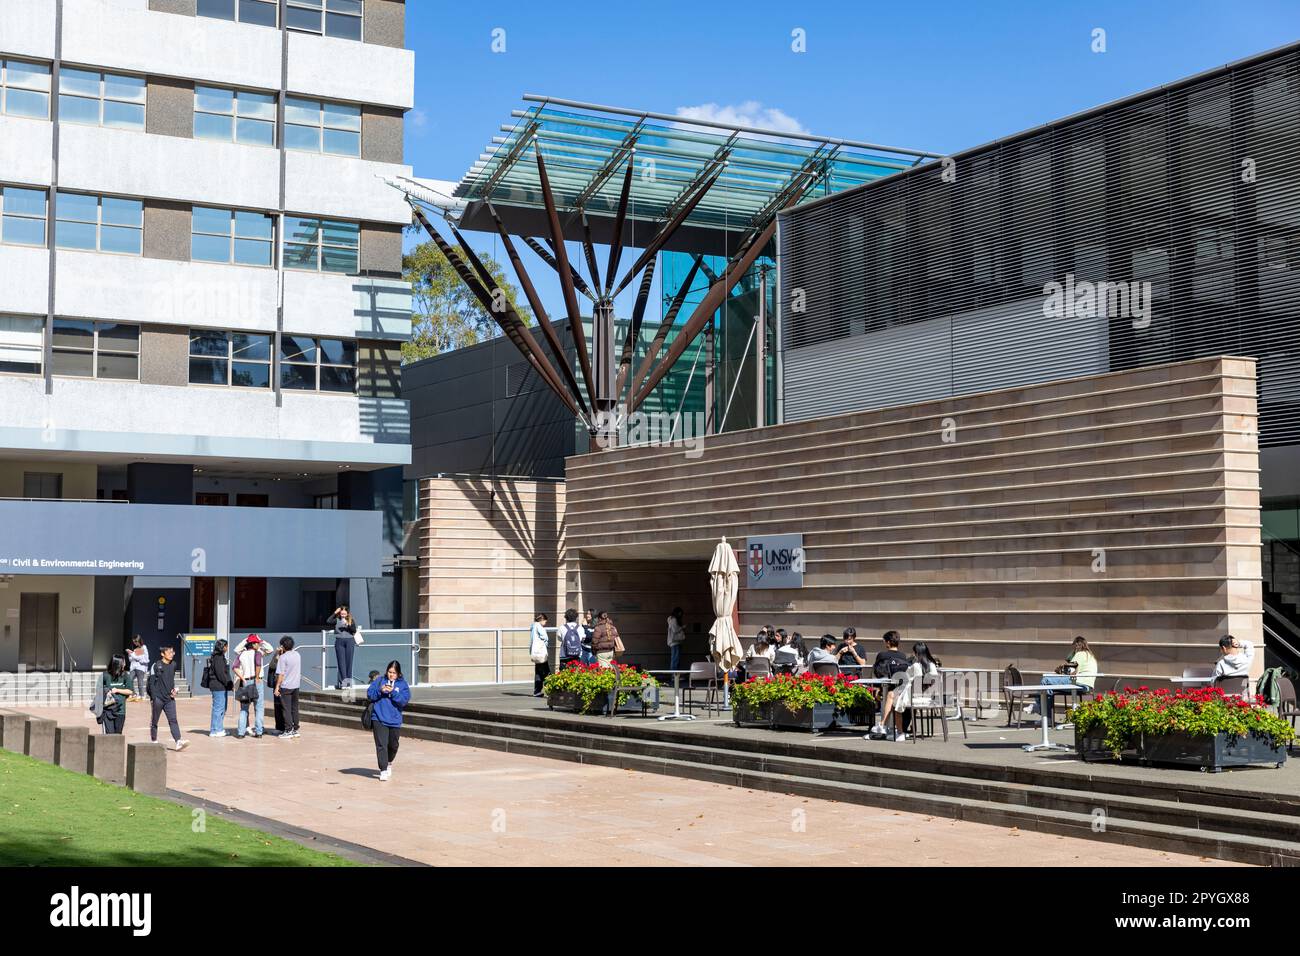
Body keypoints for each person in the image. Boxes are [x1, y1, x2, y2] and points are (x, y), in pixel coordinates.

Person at [871, 643, 942, 742]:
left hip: (914, 698)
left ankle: (896, 731)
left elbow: (906, 678)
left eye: (913, 652)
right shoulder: (932, 665)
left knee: (894, 698)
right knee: (893, 696)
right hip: (929, 699)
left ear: (916, 653)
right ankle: (884, 725)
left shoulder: (916, 665)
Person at [1030, 636, 1099, 716]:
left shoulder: (1080, 654)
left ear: (1077, 645)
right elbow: (1074, 670)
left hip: (1078, 682)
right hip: (1087, 685)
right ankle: (1044, 713)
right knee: (1049, 687)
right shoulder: (1090, 655)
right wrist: (1063, 670)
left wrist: (1061, 670)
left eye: (1074, 647)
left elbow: (1071, 671)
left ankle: (1041, 709)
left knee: (1045, 681)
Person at [368, 660, 411, 781]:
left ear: (398, 673)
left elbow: (404, 701)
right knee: (381, 745)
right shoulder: (379, 681)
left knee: (393, 745)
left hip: (395, 719)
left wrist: (393, 692)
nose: (391, 674)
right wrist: (380, 691)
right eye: (389, 672)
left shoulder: (403, 685)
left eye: (394, 672)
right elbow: (370, 694)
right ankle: (383, 770)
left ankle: (389, 762)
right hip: (379, 717)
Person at [147, 645, 188, 751]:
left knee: (173, 720)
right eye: (169, 652)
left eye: (172, 652)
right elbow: (151, 683)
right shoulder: (156, 665)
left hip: (169, 699)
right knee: (155, 720)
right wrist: (154, 697)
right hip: (158, 698)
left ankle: (178, 741)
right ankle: (154, 740)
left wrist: (174, 690)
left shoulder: (173, 664)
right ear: (162, 654)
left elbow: (170, 680)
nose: (171, 654)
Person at [233, 634, 267, 739]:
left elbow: (234, 667)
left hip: (245, 682)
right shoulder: (258, 653)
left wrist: (242, 678)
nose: (258, 644)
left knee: (244, 708)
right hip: (257, 681)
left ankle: (241, 733)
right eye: (257, 643)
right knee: (259, 707)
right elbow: (258, 664)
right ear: (253, 644)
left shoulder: (241, 654)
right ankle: (259, 731)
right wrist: (257, 677)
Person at [204, 638, 233, 738]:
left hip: (221, 686)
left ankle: (219, 729)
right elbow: (221, 674)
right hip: (218, 686)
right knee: (218, 708)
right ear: (222, 647)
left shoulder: (220, 657)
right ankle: (214, 730)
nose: (227, 648)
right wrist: (229, 684)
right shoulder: (218, 658)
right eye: (226, 646)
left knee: (222, 708)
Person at [274, 636, 302, 739]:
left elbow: (281, 674)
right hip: (296, 686)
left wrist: (277, 687)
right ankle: (295, 729)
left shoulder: (283, 657)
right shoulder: (297, 654)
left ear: (283, 646)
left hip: (286, 686)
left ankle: (288, 729)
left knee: (286, 709)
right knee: (294, 708)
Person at [97, 655, 133, 735]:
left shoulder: (125, 675)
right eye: (123, 663)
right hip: (107, 711)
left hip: (120, 711)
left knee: (118, 735)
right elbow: (98, 691)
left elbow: (130, 691)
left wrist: (117, 690)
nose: (125, 664)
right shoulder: (105, 675)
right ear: (117, 664)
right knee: (109, 735)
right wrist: (106, 692)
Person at [327, 605, 358, 689]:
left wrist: (347, 624)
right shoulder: (337, 620)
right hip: (339, 641)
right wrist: (335, 613)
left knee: (349, 662)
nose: (343, 614)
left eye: (344, 612)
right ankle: (343, 683)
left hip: (350, 641)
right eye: (341, 613)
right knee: (341, 662)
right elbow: (328, 621)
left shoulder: (351, 620)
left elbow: (354, 630)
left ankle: (348, 683)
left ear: (347, 613)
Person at [530, 612, 550, 697]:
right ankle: (550, 690)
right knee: (546, 672)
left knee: (538, 672)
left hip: (535, 653)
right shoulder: (539, 626)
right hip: (541, 653)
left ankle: (537, 691)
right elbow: (545, 637)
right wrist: (545, 644)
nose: (546, 623)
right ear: (542, 619)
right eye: (545, 621)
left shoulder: (533, 626)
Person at [127, 635, 149, 702]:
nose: (135, 643)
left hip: (140, 667)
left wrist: (132, 654)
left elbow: (139, 657)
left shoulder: (143, 647)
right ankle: (133, 694)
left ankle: (142, 695)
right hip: (133, 667)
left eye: (136, 641)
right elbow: (131, 659)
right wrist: (129, 654)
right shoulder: (134, 648)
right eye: (134, 642)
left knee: (140, 682)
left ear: (139, 641)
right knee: (129, 679)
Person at [667, 607, 686, 672]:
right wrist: (682, 627)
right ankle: (674, 676)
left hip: (676, 642)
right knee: (675, 659)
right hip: (675, 642)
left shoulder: (672, 619)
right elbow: (675, 630)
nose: (681, 614)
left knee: (676, 659)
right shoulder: (673, 619)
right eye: (680, 613)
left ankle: (676, 676)